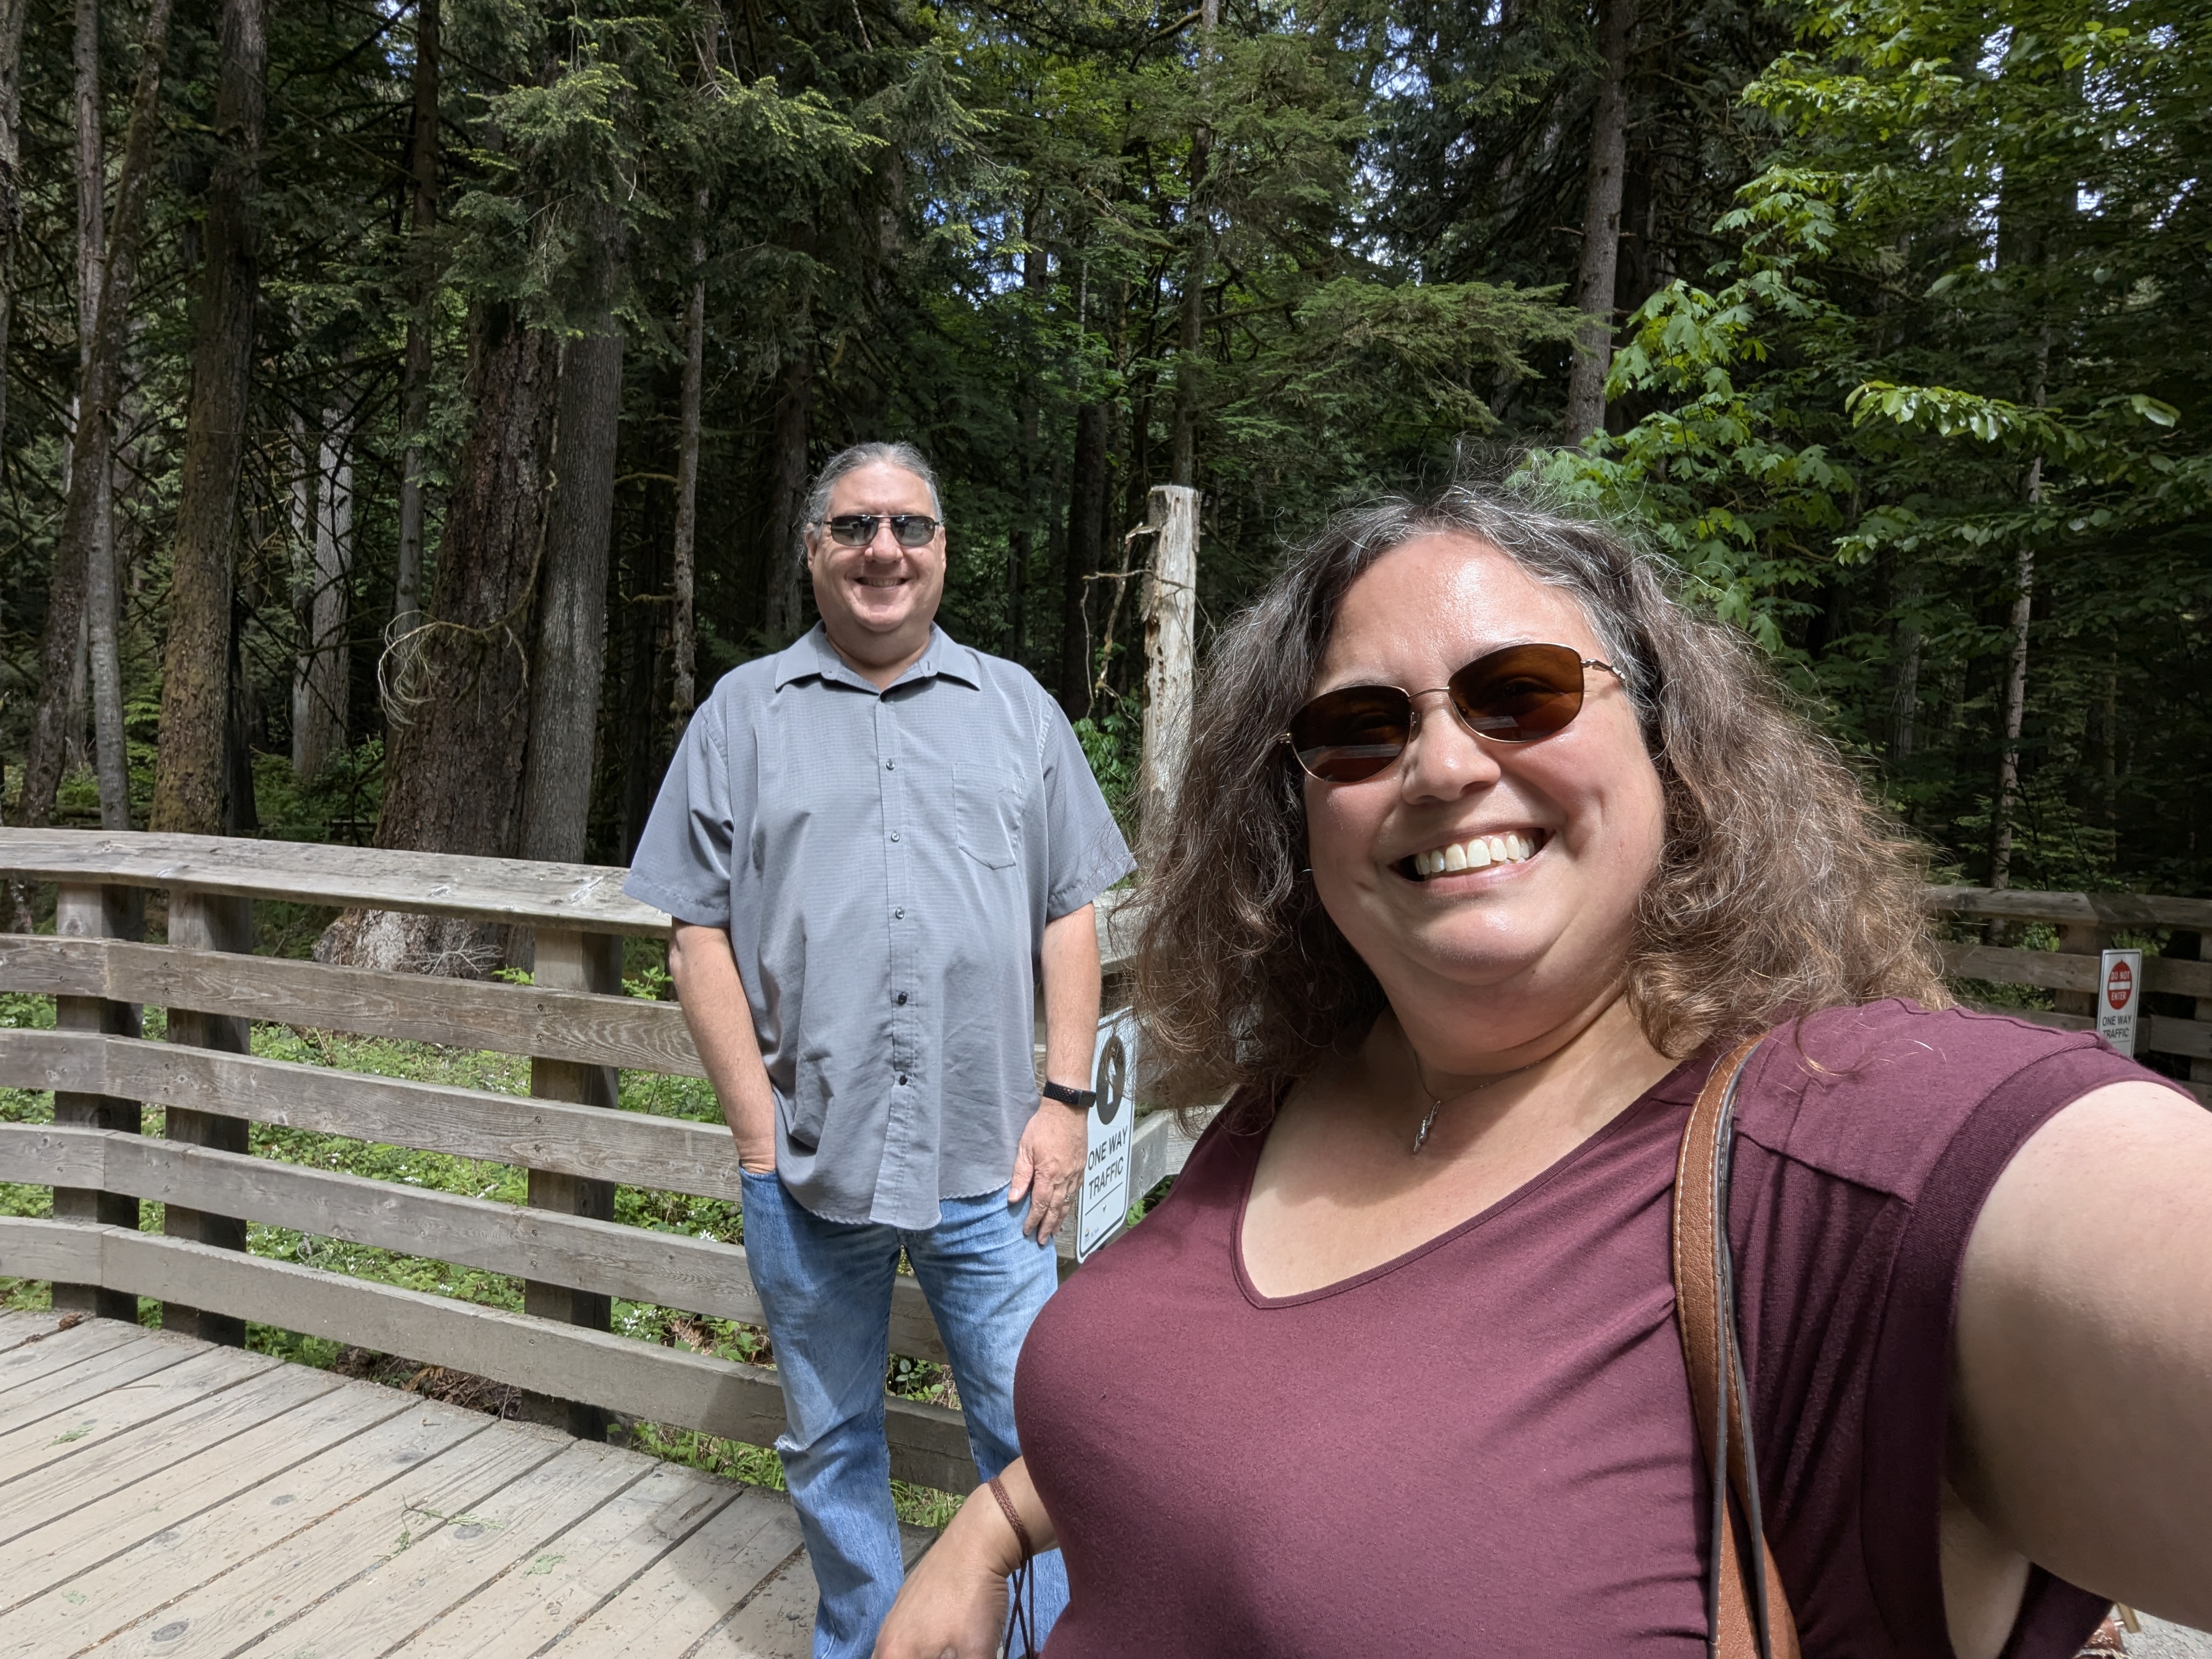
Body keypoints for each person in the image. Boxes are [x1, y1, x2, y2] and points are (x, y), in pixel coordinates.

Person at [874, 484, 2212, 1657]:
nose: (1444, 765)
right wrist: (992, 1527)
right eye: (1360, 725)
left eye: (1521, 693)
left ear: (1670, 747)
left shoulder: (1839, 1161)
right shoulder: (1302, 1082)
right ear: (1295, 808)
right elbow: (1229, 1398)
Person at [625, 441, 1131, 1659]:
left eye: (909, 525)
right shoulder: (743, 714)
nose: (883, 550)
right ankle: (862, 1640)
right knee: (830, 1437)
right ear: (815, 551)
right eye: (854, 527)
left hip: (994, 1161)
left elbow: (1071, 911)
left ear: (943, 550)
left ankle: (1033, 1647)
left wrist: (1064, 1103)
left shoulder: (1017, 708)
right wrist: (757, 1138)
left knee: (1036, 1437)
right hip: (810, 1161)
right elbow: (696, 935)